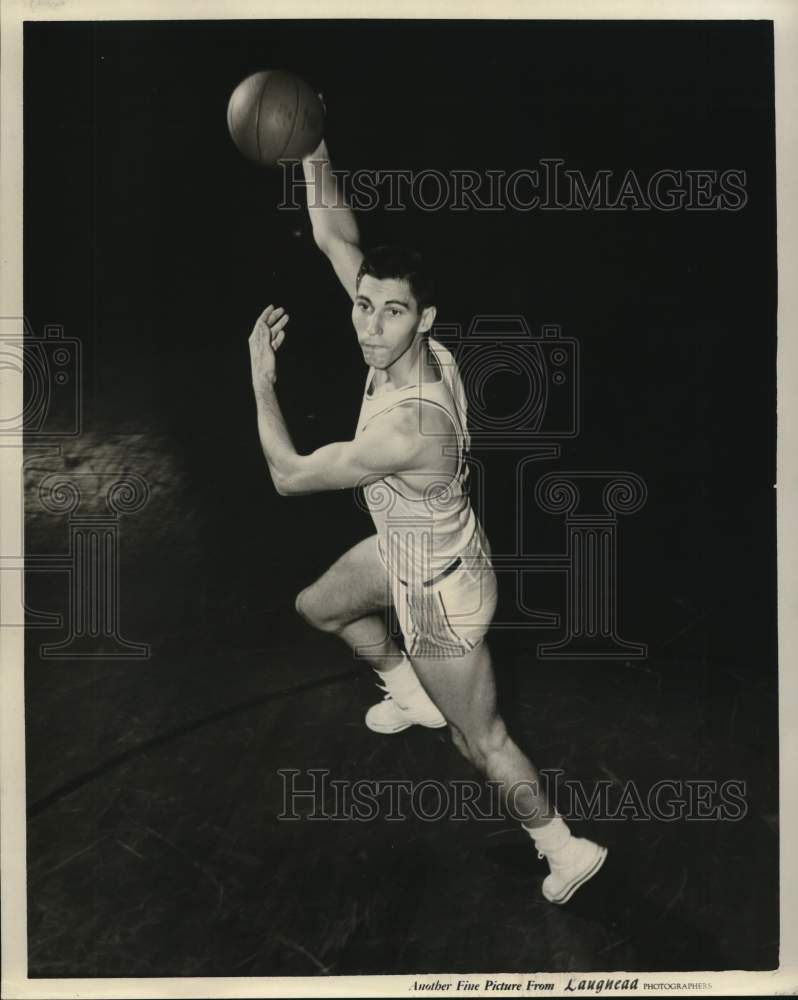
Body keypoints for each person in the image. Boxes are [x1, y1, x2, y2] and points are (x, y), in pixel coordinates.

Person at [247, 135, 607, 905]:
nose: (370, 325)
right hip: (407, 548)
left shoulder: (409, 425)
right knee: (320, 607)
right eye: (363, 305)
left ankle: (562, 847)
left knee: (479, 743)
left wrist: (261, 380)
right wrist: (313, 149)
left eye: (391, 312)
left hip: (442, 596)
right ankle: (404, 687)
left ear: (425, 317)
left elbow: (286, 476)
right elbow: (334, 234)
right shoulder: (404, 340)